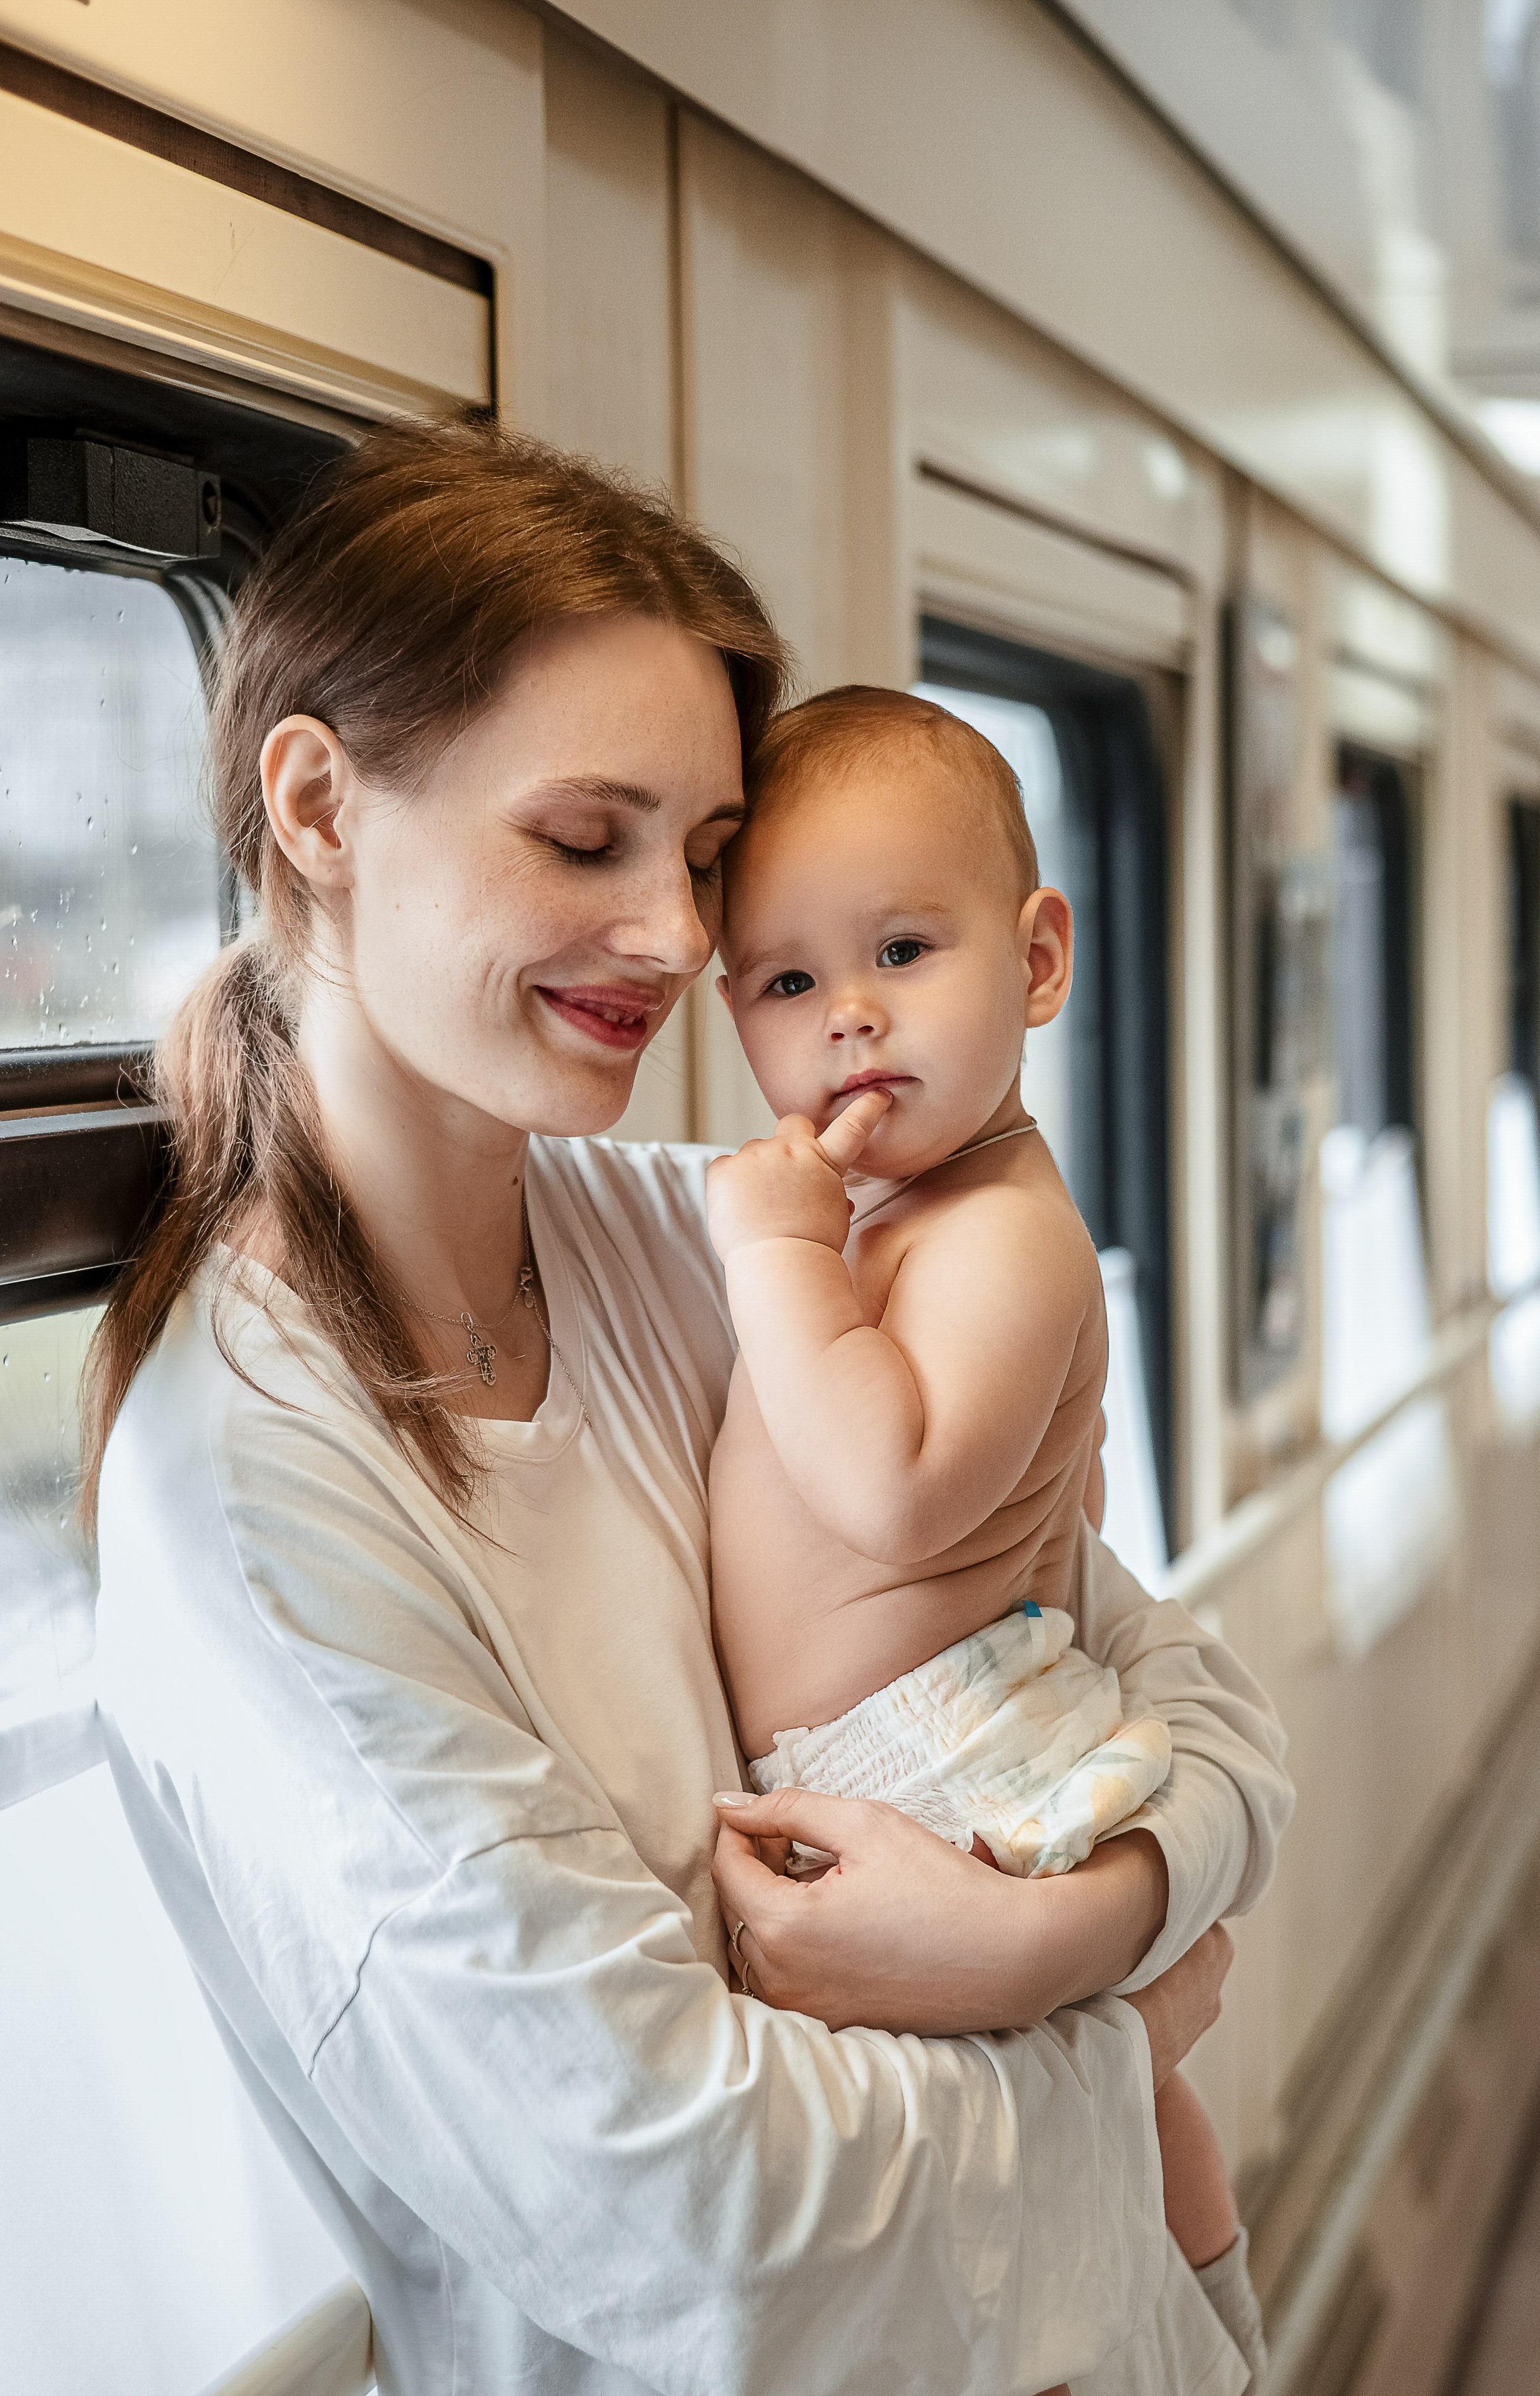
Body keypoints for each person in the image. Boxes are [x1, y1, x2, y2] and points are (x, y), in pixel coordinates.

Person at [85, 419, 1291, 2396]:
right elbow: (708, 2218)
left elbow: (1179, 1693)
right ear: (315, 803)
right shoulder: (257, 1487)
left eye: (707, 858)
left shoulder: (699, 1243)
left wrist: (1047, 1945)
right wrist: (1129, 2024)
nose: (674, 934)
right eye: (586, 838)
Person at [706, 686, 1266, 2389]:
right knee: (1098, 2128)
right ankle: (1206, 2324)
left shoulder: (1005, 1236)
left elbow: (897, 1485)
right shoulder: (887, 1217)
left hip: (945, 1759)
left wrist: (779, 1257)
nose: (850, 1018)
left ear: (1036, 962)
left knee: (1047, 2192)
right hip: (896, 1744)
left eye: (902, 948)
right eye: (790, 981)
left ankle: (1199, 2336)